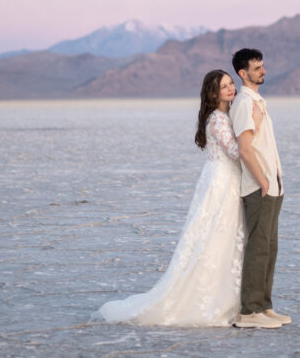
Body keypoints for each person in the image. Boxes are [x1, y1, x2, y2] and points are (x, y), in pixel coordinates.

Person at [94, 70, 256, 327]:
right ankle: (212, 301)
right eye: (224, 86)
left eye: (231, 84)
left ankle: (228, 298)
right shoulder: (218, 119)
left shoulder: (223, 116)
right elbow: (236, 152)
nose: (230, 89)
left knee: (222, 238)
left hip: (223, 180)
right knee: (215, 239)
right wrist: (254, 134)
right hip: (222, 184)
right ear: (213, 93)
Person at [230, 48, 290, 330]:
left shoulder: (257, 100)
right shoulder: (244, 102)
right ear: (243, 74)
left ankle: (264, 306)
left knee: (269, 247)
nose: (263, 71)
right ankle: (249, 311)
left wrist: (274, 180)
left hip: (272, 185)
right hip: (259, 187)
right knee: (258, 247)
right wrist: (263, 181)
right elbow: (244, 148)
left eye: (263, 66)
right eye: (257, 68)